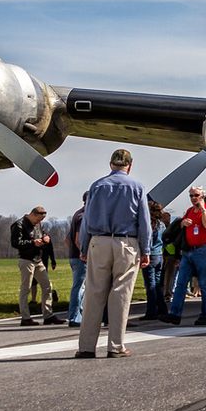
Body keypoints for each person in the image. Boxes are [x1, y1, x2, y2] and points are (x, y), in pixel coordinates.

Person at [76, 148, 152, 358]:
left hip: (98, 241)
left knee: (93, 293)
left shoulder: (97, 186)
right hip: (126, 242)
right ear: (130, 165)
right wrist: (145, 249)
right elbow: (144, 222)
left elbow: (87, 220)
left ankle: (86, 347)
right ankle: (116, 346)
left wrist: (84, 247)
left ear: (111, 165)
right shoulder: (137, 187)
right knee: (121, 294)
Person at [161, 187, 206, 325]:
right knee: (180, 283)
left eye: (196, 195)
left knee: (204, 284)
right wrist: (182, 223)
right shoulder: (189, 211)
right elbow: (181, 226)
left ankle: (205, 314)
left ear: (202, 196)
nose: (193, 198)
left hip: (203, 251)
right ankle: (175, 314)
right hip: (188, 252)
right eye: (191, 195)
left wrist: (203, 208)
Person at [13, 206, 64, 326]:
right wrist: (32, 242)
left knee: (47, 286)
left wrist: (45, 237)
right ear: (33, 215)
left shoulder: (38, 225)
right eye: (38, 219)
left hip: (38, 259)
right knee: (26, 288)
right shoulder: (19, 225)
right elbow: (15, 242)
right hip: (26, 260)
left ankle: (48, 315)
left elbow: (42, 233)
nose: (39, 222)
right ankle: (25, 318)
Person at [140, 200, 166, 321]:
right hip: (159, 255)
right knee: (157, 284)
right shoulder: (161, 224)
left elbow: (148, 241)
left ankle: (151, 311)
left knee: (150, 285)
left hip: (151, 255)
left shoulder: (150, 225)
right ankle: (162, 308)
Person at [66, 193, 88, 327]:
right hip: (81, 258)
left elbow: (67, 240)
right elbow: (78, 239)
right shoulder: (84, 216)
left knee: (81, 287)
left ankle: (79, 314)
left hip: (74, 256)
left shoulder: (77, 214)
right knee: (79, 287)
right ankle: (75, 317)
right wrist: (83, 253)